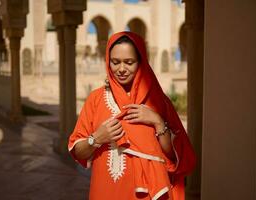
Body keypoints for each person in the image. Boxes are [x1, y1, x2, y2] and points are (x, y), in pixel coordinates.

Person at [68, 31, 196, 200]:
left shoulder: (158, 101)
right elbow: (78, 152)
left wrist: (157, 121)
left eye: (129, 62)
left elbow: (174, 155)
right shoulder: (95, 99)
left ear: (140, 62)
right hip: (104, 191)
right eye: (115, 62)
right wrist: (96, 138)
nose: (121, 69)